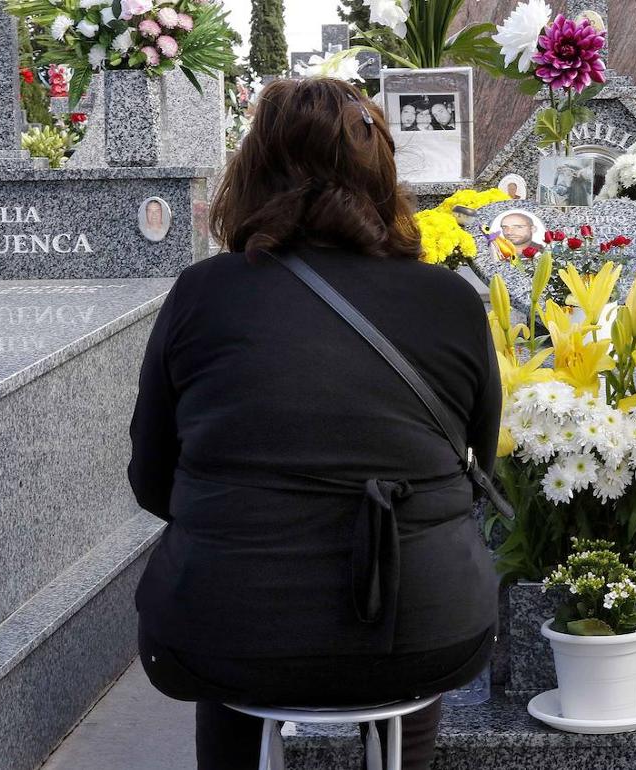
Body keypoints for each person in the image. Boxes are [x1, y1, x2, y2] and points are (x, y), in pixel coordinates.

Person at [129, 77, 501, 770]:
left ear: (254, 171)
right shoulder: (450, 301)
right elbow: (479, 470)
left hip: (223, 631)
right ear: (382, 172)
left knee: (233, 631)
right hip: (431, 628)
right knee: (411, 649)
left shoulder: (203, 296)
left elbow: (152, 482)